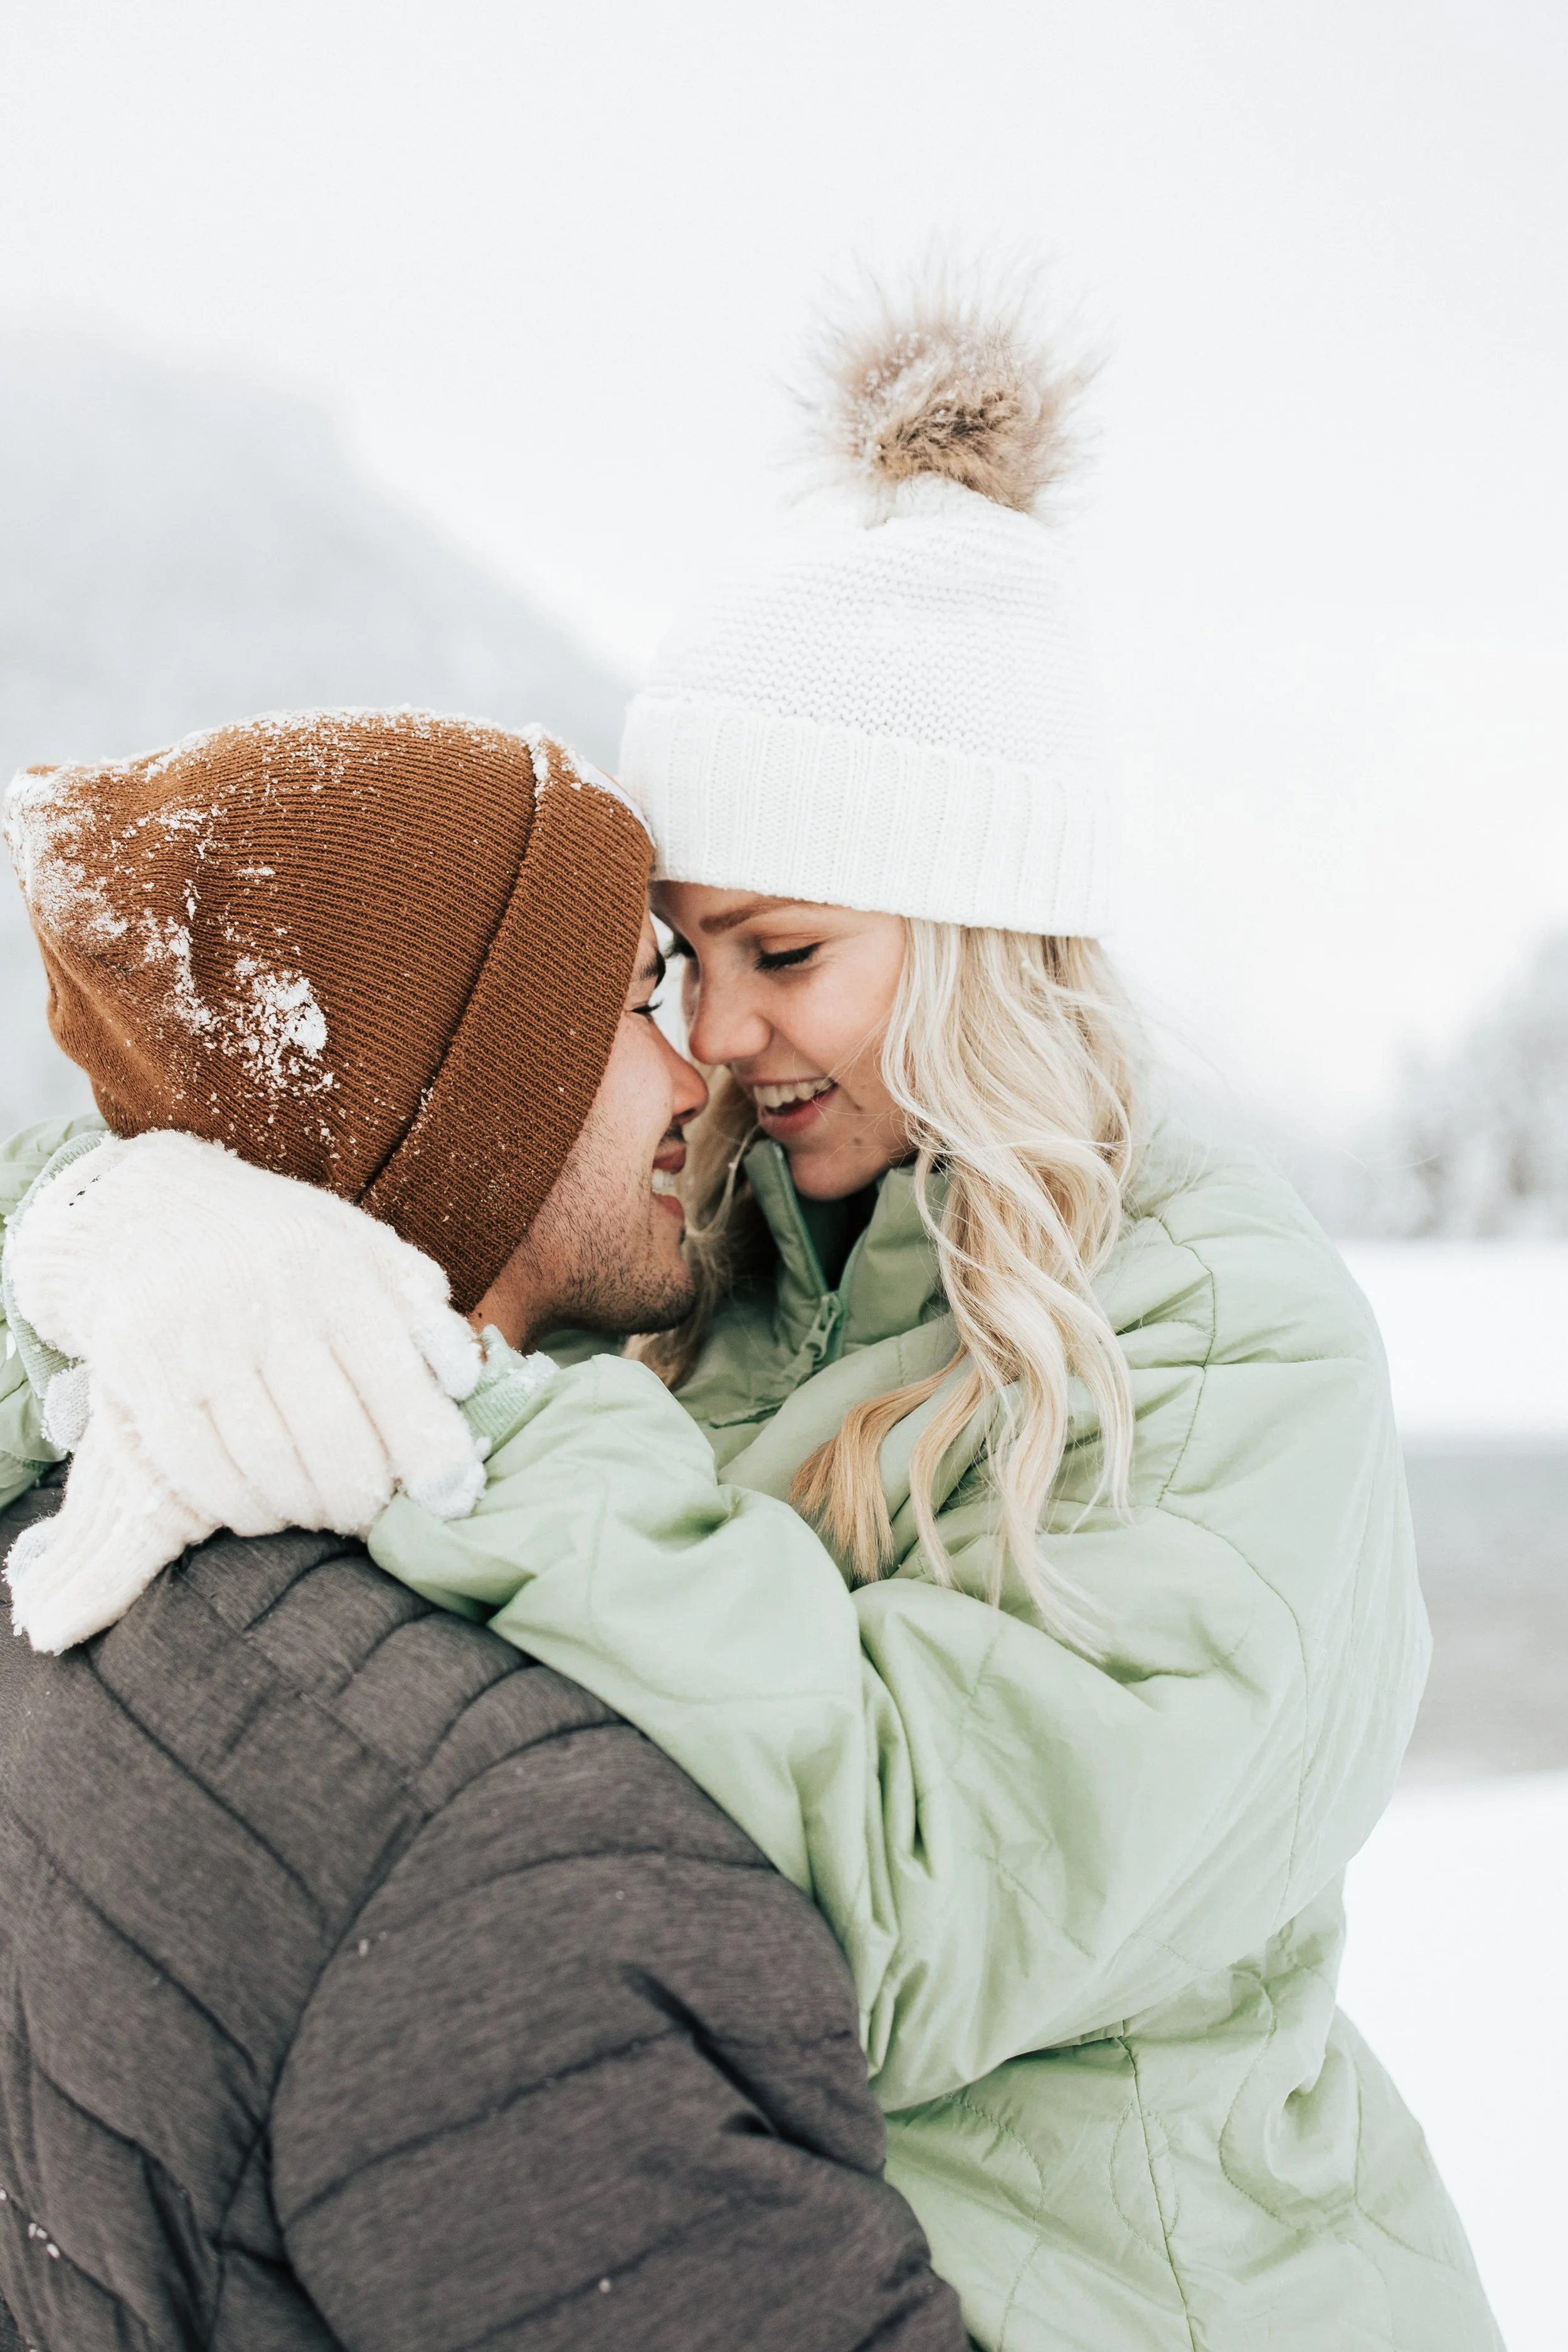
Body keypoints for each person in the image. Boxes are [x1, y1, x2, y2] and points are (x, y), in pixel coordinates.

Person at [1, 292, 1503, 2349]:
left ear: (979, 939)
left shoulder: (1227, 1343)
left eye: (780, 951)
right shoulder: (729, 1249)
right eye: (676, 960)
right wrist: (122, 1240)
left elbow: (900, 1895)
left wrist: (432, 1399)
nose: (710, 1038)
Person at [0, 709, 965, 2352]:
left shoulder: (73, 1543)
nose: (697, 1069)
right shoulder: (509, 1839)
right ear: (462, 1099)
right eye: (629, 1007)